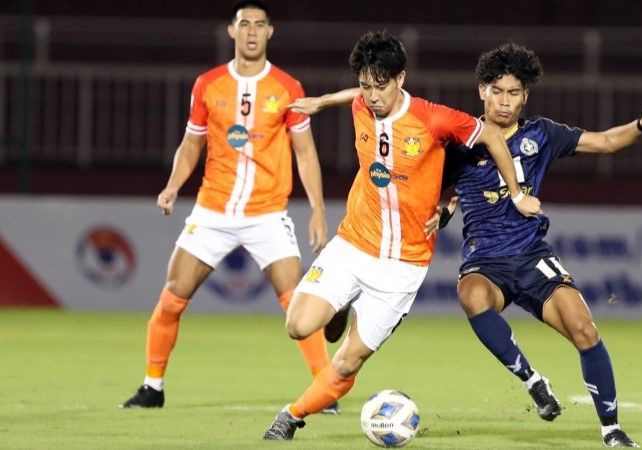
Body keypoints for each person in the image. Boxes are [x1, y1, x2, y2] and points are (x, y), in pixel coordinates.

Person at [262, 30, 541, 441]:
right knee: (298, 326)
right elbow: (353, 97)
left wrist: (516, 193)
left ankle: (290, 416)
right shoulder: (362, 103)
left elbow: (492, 137)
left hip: (402, 267)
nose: (371, 96)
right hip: (353, 244)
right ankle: (339, 306)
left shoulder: (434, 118)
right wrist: (322, 101)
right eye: (365, 86)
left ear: (400, 79)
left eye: (380, 86)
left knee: (347, 363)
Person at [428, 43, 642, 447]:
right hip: (486, 263)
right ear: (481, 91)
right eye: (497, 91)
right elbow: (436, 189)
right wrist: (444, 209)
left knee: (585, 330)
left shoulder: (541, 135)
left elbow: (605, 142)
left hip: (533, 258)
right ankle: (532, 380)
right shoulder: (461, 142)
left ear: (526, 96)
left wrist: (639, 128)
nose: (504, 101)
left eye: (514, 93)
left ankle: (611, 429)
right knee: (470, 296)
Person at [119, 0, 338, 414]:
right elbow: (191, 144)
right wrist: (171, 186)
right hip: (213, 211)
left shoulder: (289, 88)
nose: (252, 32)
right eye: (244, 24)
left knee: (298, 302)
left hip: (268, 213)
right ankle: (152, 387)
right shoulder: (208, 84)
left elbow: (305, 153)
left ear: (270, 32)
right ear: (231, 31)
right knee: (172, 298)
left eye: (259, 25)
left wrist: (318, 210)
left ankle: (323, 390)